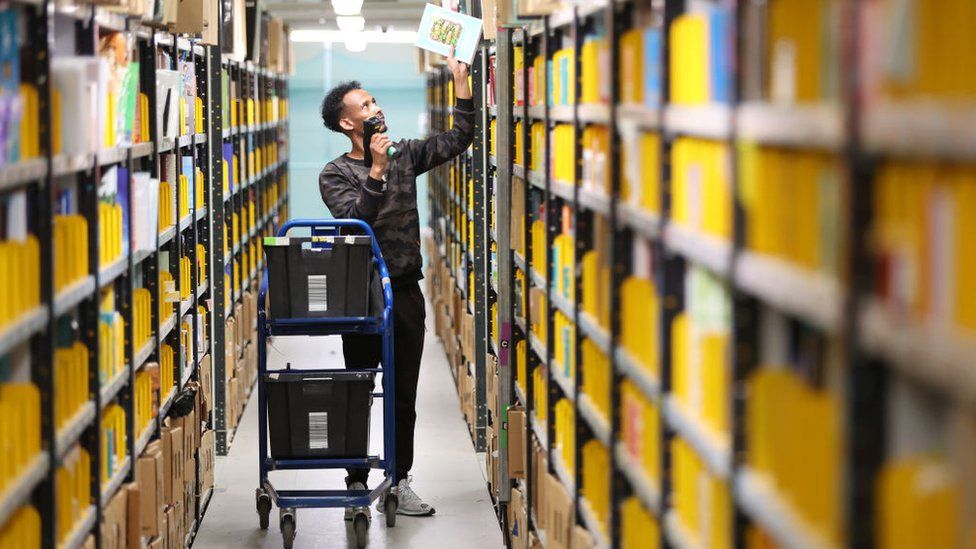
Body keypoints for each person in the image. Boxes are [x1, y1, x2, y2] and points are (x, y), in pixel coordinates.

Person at [317, 51, 474, 518]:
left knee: (403, 393)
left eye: (375, 102)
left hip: (405, 291)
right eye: (365, 106)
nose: (376, 110)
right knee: (358, 388)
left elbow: (459, 138)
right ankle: (355, 482)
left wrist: (461, 83)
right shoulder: (335, 173)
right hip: (360, 295)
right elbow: (353, 220)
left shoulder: (405, 154)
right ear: (347, 124)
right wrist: (378, 172)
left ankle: (399, 480)